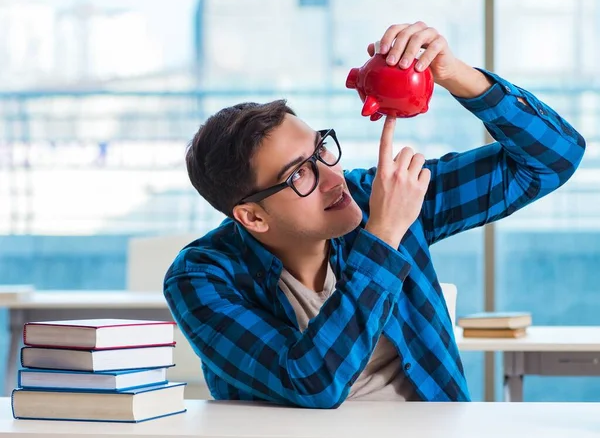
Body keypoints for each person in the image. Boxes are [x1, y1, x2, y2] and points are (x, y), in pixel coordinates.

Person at [163, 21, 585, 408]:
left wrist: (458, 75)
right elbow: (309, 382)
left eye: (322, 150)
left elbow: (555, 158)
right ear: (252, 217)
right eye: (299, 174)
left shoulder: (375, 196)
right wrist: (382, 237)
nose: (332, 177)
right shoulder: (200, 278)